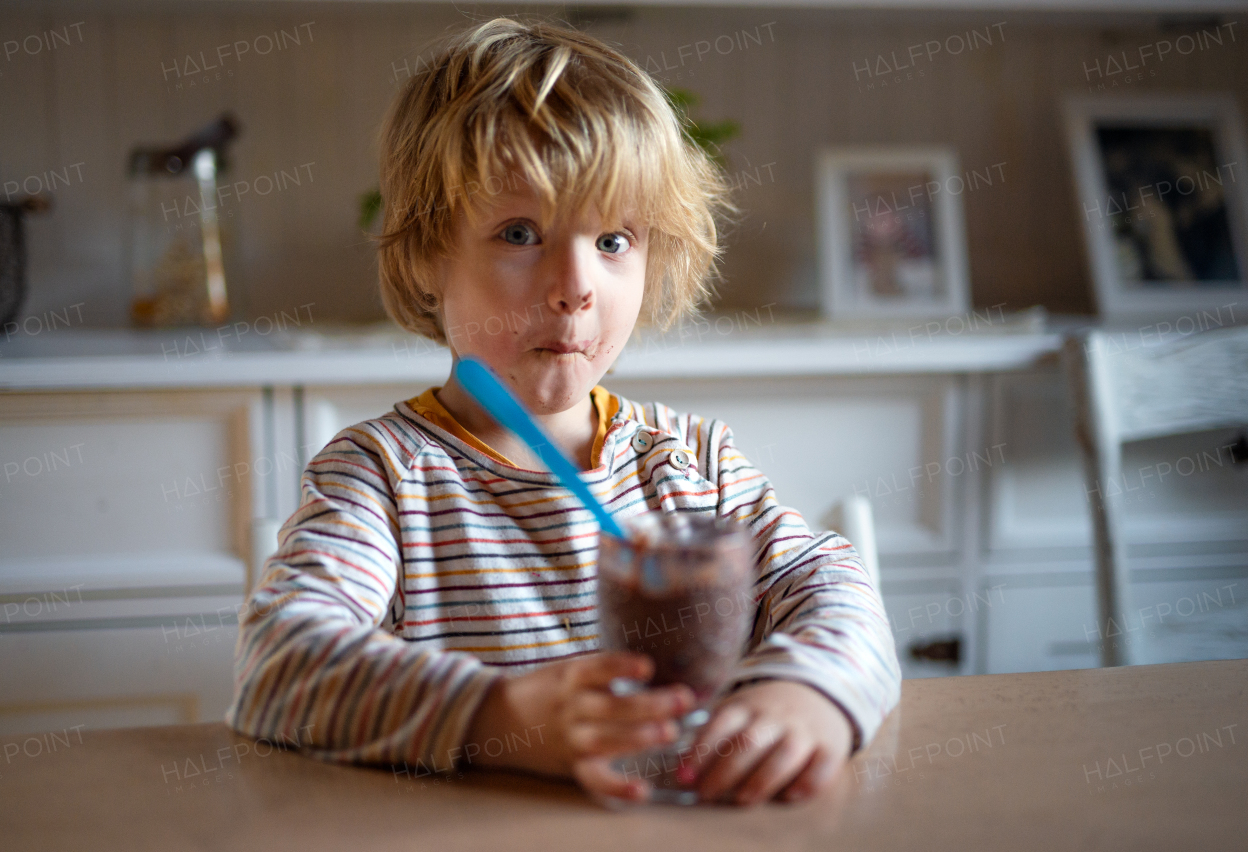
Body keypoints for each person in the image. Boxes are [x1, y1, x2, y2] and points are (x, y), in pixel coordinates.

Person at [226, 16, 901, 807]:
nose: (576, 284)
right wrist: (501, 717)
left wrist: (808, 695)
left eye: (614, 239)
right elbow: (278, 663)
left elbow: (837, 588)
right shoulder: (384, 478)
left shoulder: (691, 464)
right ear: (426, 256)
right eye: (521, 232)